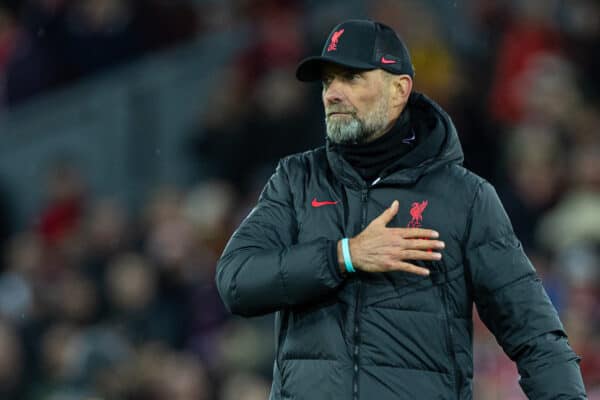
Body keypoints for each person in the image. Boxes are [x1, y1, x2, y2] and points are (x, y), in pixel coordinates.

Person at [215, 19, 587, 399]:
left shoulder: (463, 198)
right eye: (328, 81)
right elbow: (236, 281)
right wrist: (344, 254)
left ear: (399, 89)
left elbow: (534, 334)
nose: (332, 94)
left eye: (351, 78)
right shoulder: (297, 181)